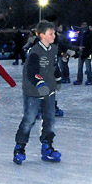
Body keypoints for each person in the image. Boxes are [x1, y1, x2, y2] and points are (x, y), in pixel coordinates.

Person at [13, 21, 62, 165]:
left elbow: (54, 66)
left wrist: (58, 79)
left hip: (49, 91)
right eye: (51, 33)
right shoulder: (35, 52)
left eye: (54, 33)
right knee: (29, 119)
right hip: (34, 91)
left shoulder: (53, 49)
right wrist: (40, 84)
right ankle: (19, 147)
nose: (54, 35)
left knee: (50, 120)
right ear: (42, 35)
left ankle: (47, 146)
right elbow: (31, 72)